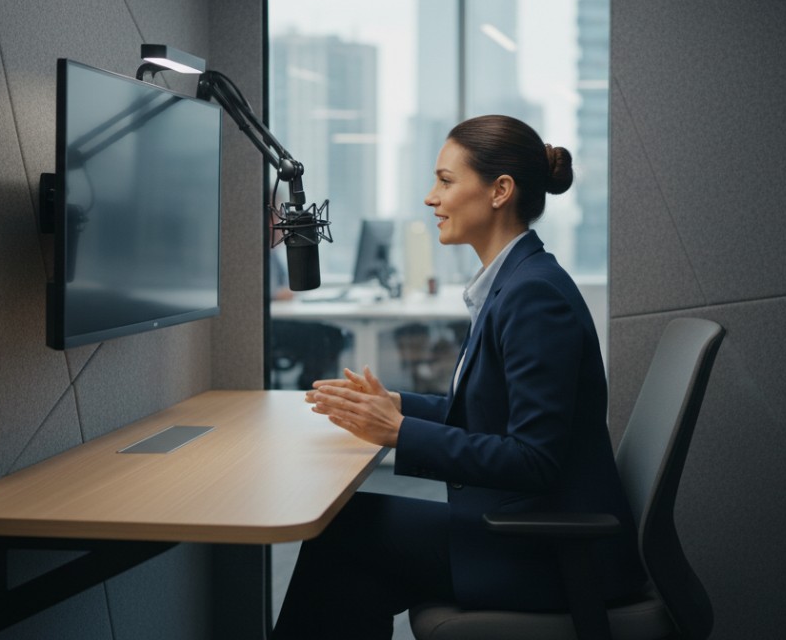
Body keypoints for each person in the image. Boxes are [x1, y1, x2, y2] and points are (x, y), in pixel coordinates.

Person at [272, 116, 642, 639]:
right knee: (354, 563)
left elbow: (533, 459)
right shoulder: (513, 283)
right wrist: (395, 405)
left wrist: (399, 432)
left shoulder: (534, 297)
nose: (430, 197)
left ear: (500, 191)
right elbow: (489, 415)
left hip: (550, 551)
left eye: (446, 181)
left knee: (344, 533)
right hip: (525, 530)